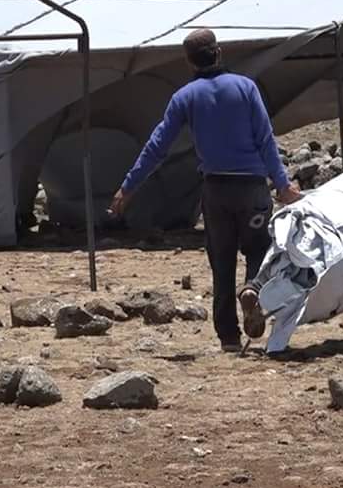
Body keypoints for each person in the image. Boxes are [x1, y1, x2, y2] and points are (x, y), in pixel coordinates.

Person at [110, 29, 301, 352]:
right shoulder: (246, 88)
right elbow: (265, 140)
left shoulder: (185, 96)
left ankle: (228, 337)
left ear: (189, 62)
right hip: (252, 188)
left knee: (221, 262)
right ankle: (253, 290)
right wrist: (282, 186)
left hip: (215, 190)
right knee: (259, 250)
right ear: (220, 52)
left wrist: (127, 188)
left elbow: (158, 146)